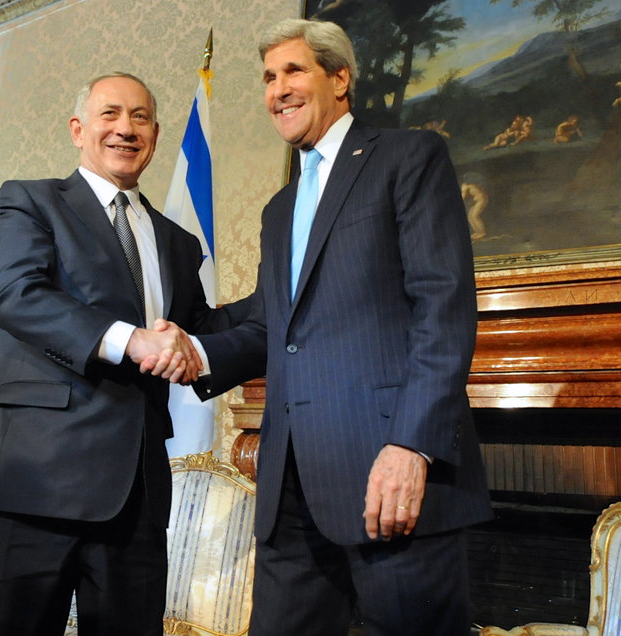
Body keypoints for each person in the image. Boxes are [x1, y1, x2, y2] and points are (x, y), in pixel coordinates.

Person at [180, 19, 492, 635]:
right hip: (290, 486)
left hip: (389, 474)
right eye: (269, 77)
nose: (278, 89)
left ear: (340, 77)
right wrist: (190, 346)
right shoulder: (281, 207)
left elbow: (443, 306)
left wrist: (411, 445)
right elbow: (273, 322)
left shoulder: (408, 157)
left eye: (294, 70)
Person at [0, 72, 247, 636]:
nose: (125, 128)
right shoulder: (31, 200)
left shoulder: (177, 242)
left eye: (140, 118)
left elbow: (200, 332)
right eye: (110, 113)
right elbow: (16, 294)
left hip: (134, 493)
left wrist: (284, 294)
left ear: (155, 136)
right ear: (78, 129)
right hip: (30, 482)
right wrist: (130, 338)